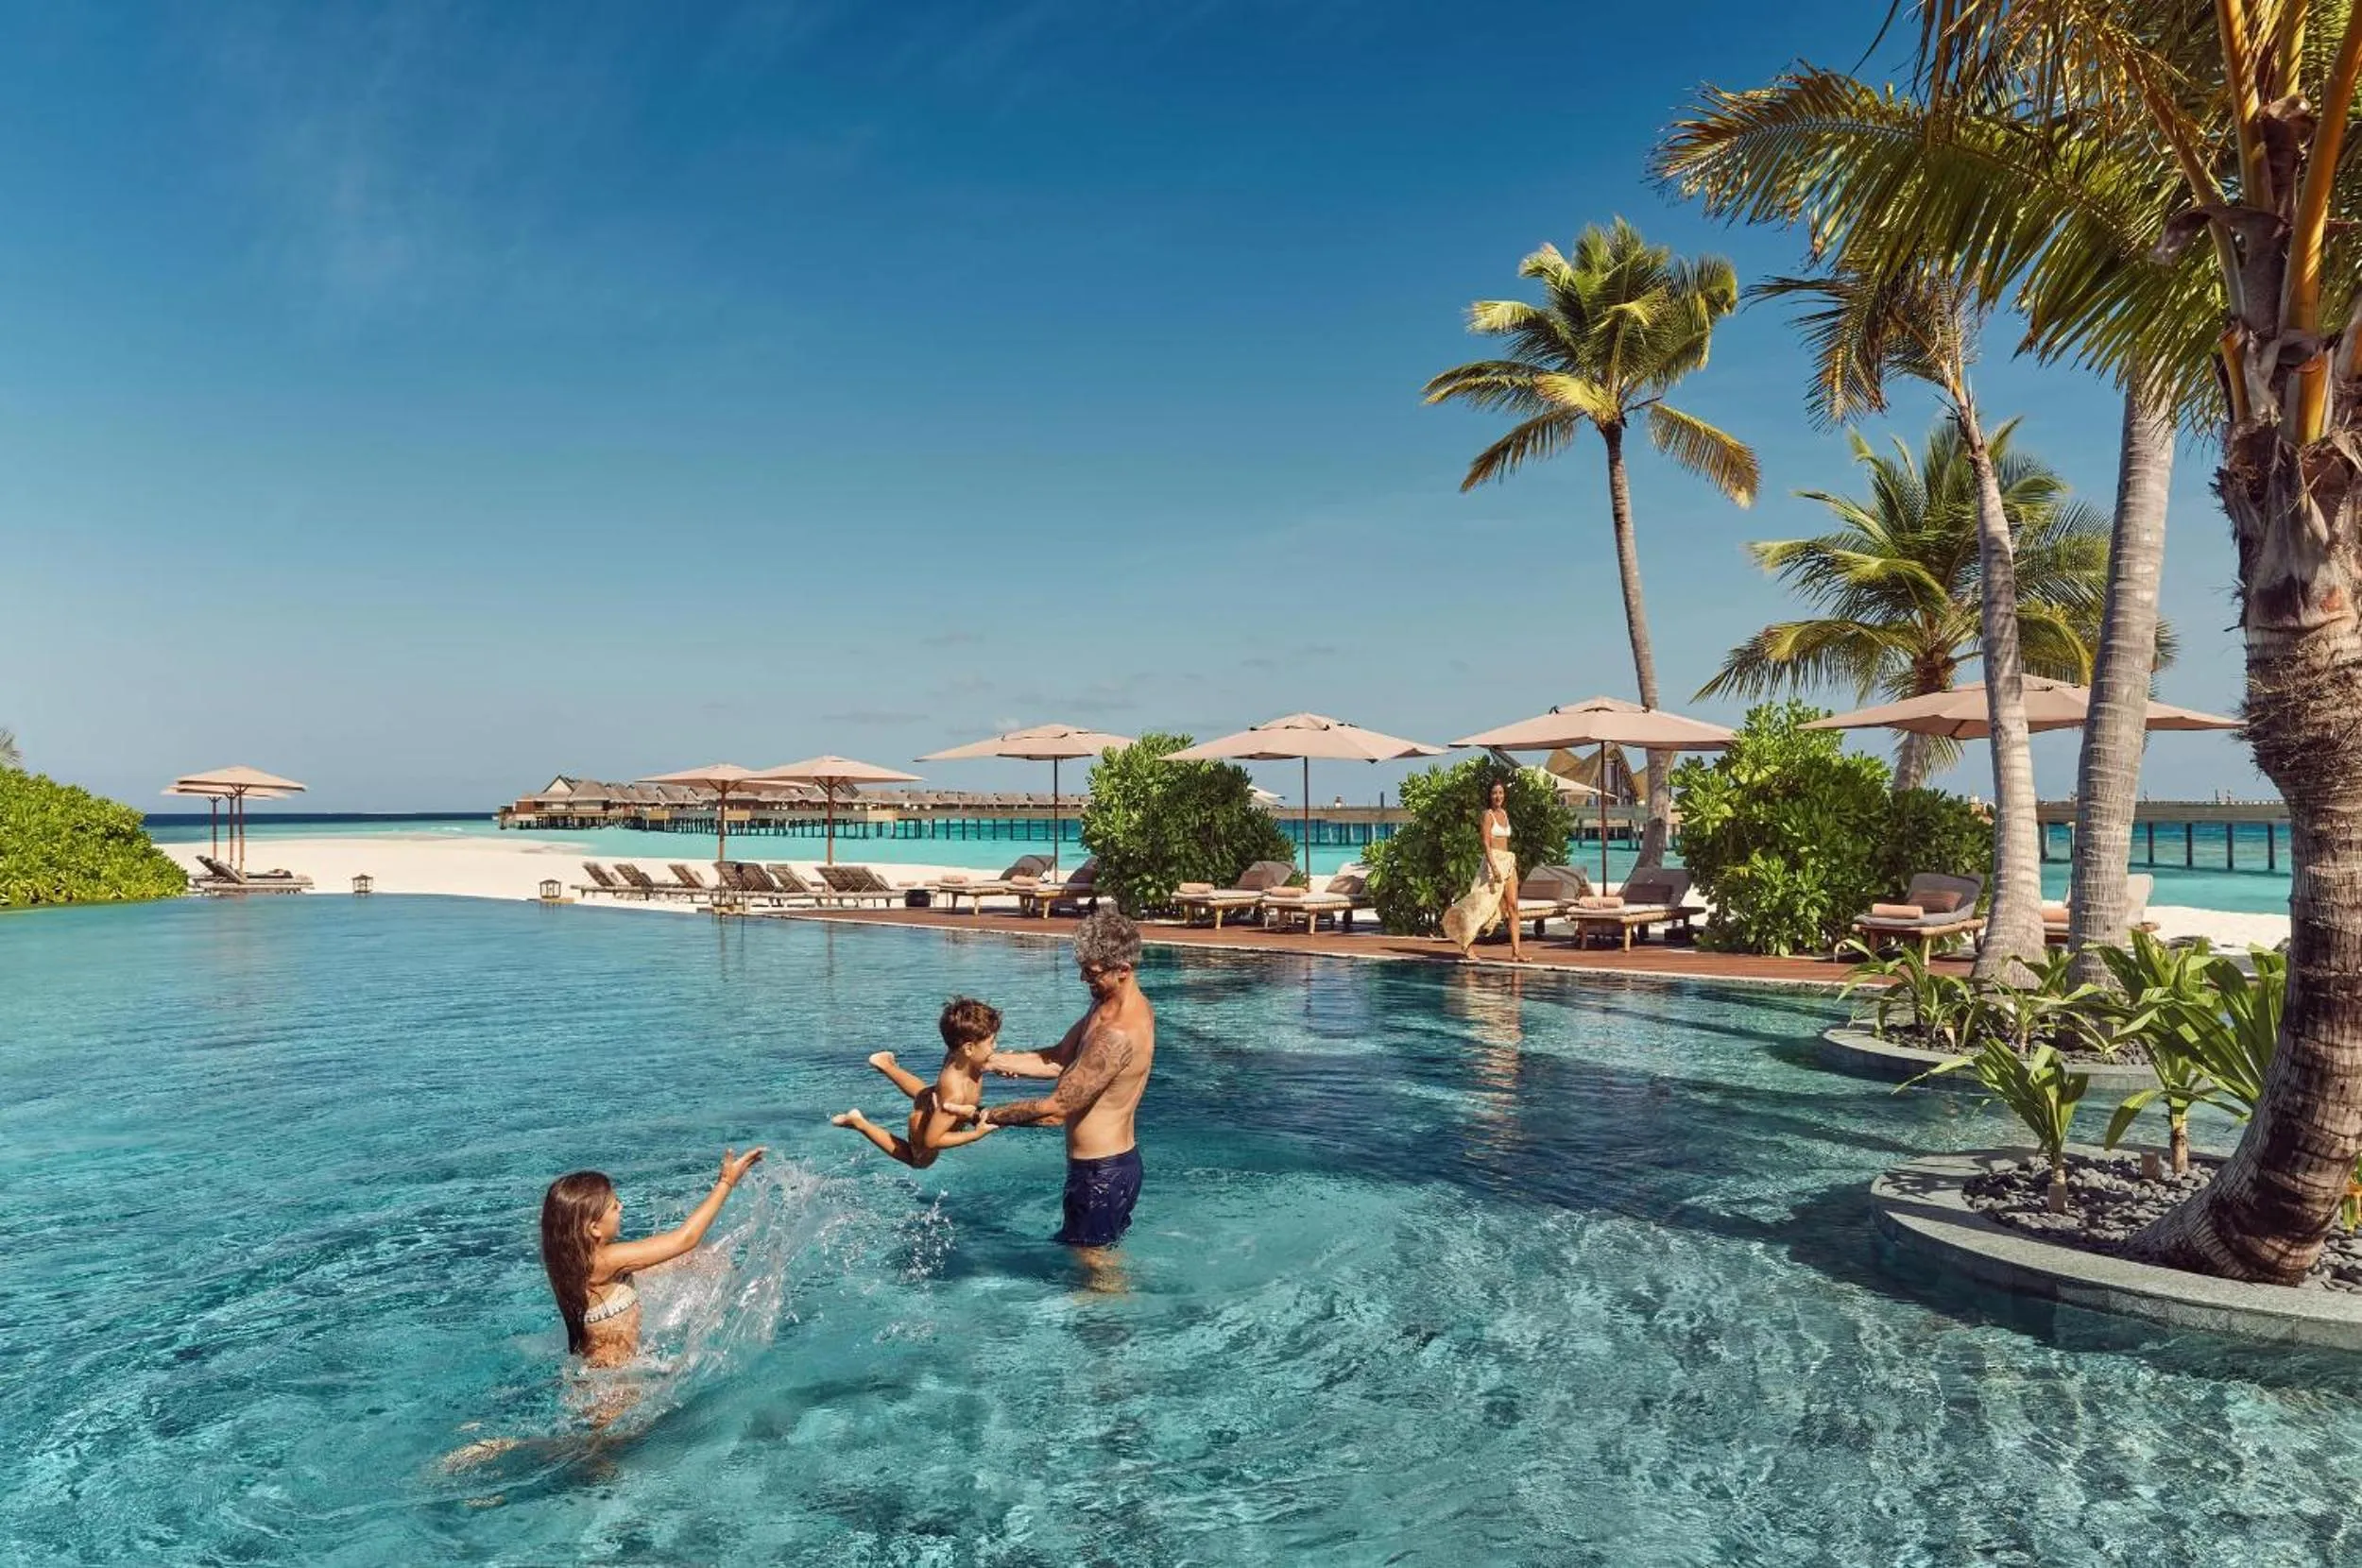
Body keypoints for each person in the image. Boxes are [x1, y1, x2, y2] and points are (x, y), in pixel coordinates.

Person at [977, 909, 1156, 1253]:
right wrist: (989, 1061)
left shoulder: (1118, 1034)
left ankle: (1115, 1309)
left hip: (1100, 1175)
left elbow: (1057, 1110)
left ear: (1123, 970)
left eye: (1091, 974)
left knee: (1095, 1278)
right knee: (1092, 1264)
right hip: (1103, 1170)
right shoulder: (1104, 1007)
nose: (1083, 981)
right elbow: (1060, 1058)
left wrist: (985, 1115)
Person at [538, 1148, 765, 1369]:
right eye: (614, 1206)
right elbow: (686, 1239)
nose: (621, 1206)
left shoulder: (572, 1264)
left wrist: (690, 1261)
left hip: (603, 1377)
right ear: (594, 1228)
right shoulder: (607, 1259)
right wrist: (726, 1182)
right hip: (614, 1393)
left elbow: (642, 1267)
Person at [831, 996, 1003, 1167]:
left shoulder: (957, 1056)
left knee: (926, 1093)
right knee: (919, 1162)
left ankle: (885, 1064)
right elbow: (932, 1140)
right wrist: (975, 1135)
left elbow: (983, 1058)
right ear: (968, 1048)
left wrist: (1001, 1066)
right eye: (991, 1042)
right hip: (925, 1126)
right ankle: (859, 1122)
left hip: (931, 1099)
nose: (995, 1046)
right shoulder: (956, 1096)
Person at [1441, 779, 1524, 963]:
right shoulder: (1487, 815)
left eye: (1501, 793)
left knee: (1513, 908)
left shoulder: (1504, 813)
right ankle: (1467, 946)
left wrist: (1509, 865)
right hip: (1492, 862)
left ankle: (1516, 952)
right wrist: (1493, 867)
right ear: (1489, 795)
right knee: (1480, 907)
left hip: (1508, 861)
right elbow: (1486, 842)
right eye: (1495, 793)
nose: (1498, 796)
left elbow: (1505, 841)